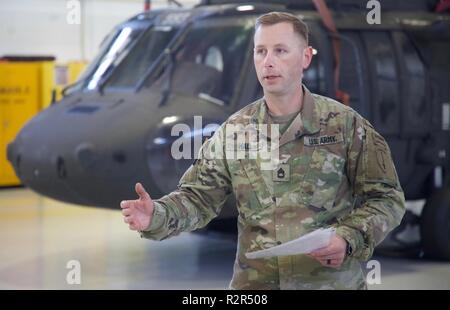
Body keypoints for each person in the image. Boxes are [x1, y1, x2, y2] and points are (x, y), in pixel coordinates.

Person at [120, 11, 405, 290]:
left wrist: (348, 237)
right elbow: (198, 198)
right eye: (261, 51)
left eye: (280, 51)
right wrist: (155, 215)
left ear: (305, 57)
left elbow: (386, 198)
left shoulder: (345, 125)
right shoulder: (234, 131)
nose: (268, 62)